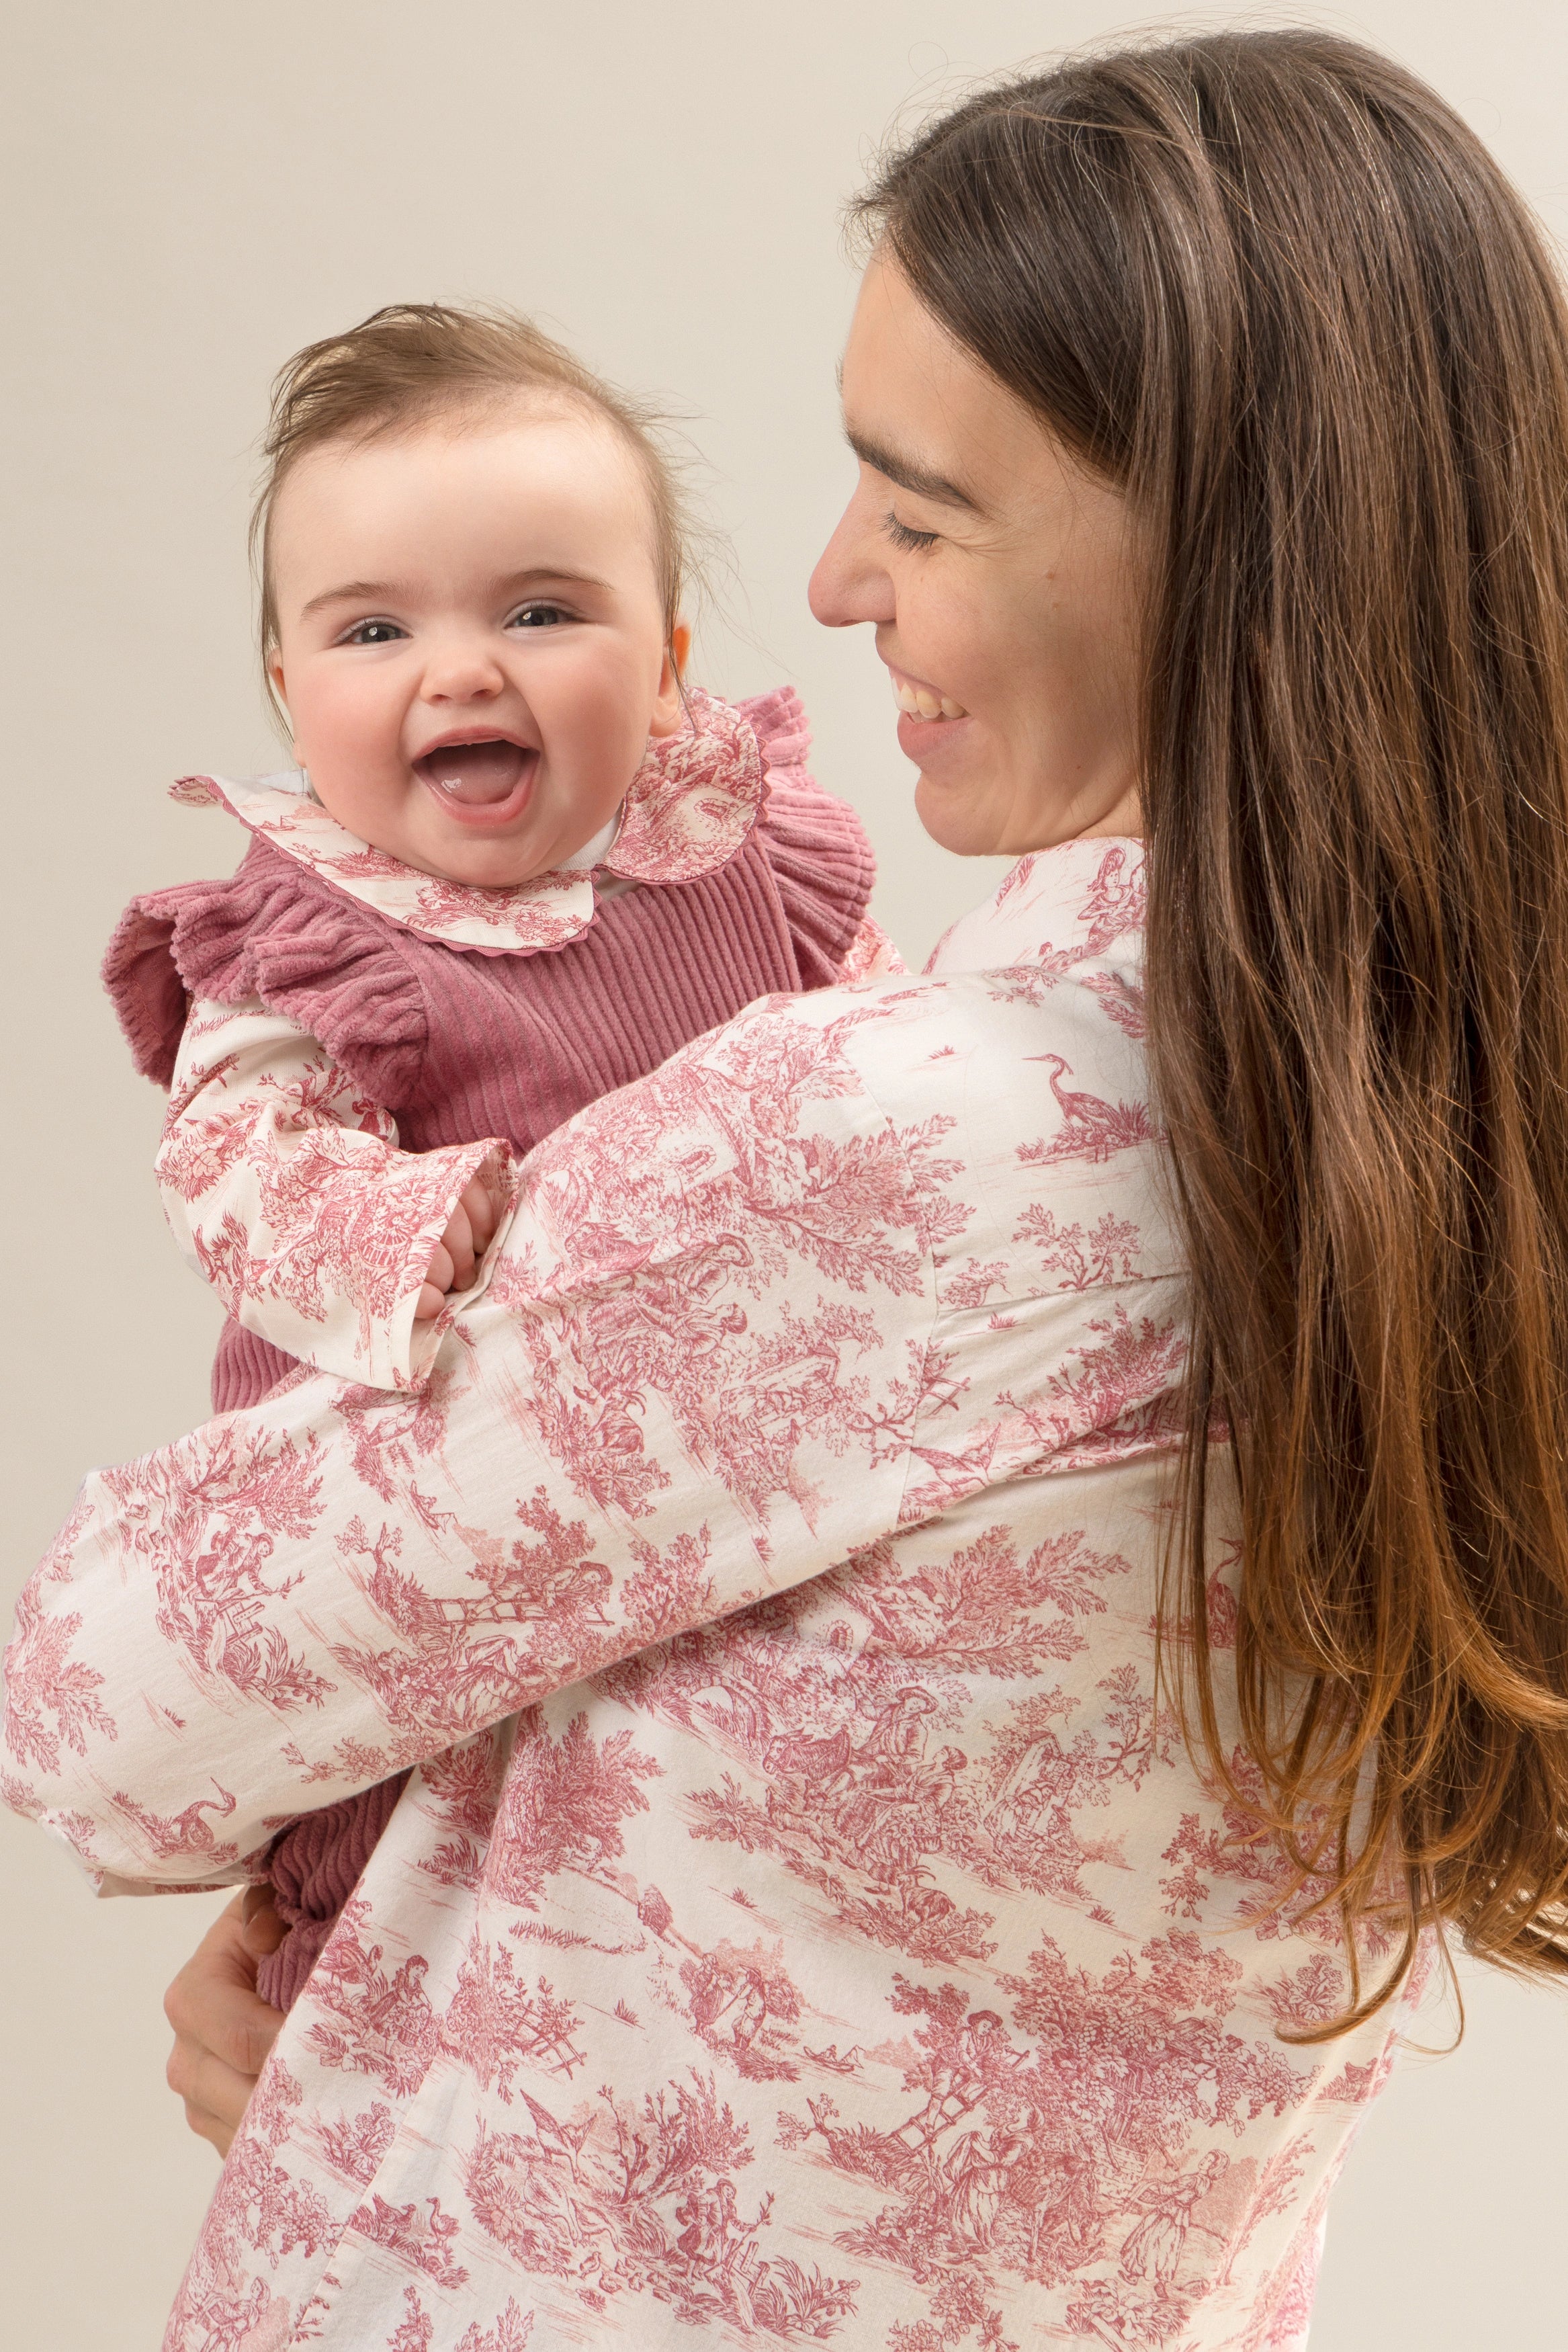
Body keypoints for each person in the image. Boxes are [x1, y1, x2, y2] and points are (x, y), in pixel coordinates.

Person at [9, 26, 1568, 2349]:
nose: (832, 584)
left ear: (1208, 543)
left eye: (920, 511)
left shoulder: (912, 1150)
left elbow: (100, 1701)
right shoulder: (1475, 1150)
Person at [94, 302, 892, 2013]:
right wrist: (406, 1224)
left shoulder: (741, 869)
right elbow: (235, 1168)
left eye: (542, 610)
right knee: (404, 1909)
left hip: (715, 1510)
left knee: (693, 1856)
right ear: (293, 695)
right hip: (428, 1533)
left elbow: (886, 1064)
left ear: (669, 667)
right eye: (375, 629)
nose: (463, 669)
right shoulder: (310, 951)